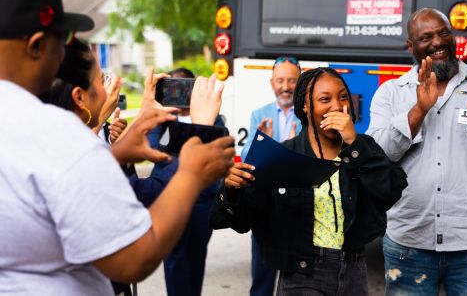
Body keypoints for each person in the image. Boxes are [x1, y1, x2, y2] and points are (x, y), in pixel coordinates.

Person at [0, 0, 235, 295]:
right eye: (64, 40)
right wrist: (192, 173)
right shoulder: (58, 135)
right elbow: (134, 260)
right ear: (37, 45)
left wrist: (116, 154)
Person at [366, 8, 467, 295]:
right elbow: (378, 156)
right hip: (409, 242)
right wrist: (419, 109)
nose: (438, 42)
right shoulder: (391, 92)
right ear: (411, 47)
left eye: (443, 33)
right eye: (426, 37)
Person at [212, 67, 408, 295]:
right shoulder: (282, 156)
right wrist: (231, 190)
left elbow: (390, 191)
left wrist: (354, 143)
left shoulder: (363, 147)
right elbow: (240, 220)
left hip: (354, 271)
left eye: (343, 97)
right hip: (304, 273)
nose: (336, 106)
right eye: (325, 99)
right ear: (305, 107)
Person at [145, 67, 225, 296]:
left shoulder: (210, 113)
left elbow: (219, 147)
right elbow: (153, 150)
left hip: (203, 200)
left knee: (197, 256)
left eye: (184, 86)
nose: (179, 92)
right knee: (174, 258)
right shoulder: (160, 117)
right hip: (171, 199)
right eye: (173, 87)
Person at [234, 56, 302, 296]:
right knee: (262, 277)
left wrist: (284, 146)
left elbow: (309, 158)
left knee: (296, 279)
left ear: (300, 83)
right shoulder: (258, 115)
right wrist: (264, 145)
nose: (286, 87)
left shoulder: (308, 114)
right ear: (271, 83)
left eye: (292, 80)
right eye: (280, 80)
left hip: (298, 205)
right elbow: (246, 157)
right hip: (265, 205)